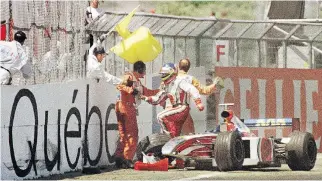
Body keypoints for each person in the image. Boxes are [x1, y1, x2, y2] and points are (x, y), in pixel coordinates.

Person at [114, 61, 159, 169]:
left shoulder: (137, 81)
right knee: (132, 134)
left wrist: (159, 91)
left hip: (122, 108)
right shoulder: (129, 77)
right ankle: (127, 158)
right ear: (139, 70)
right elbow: (120, 85)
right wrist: (130, 90)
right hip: (127, 108)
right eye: (143, 71)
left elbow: (146, 92)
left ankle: (119, 157)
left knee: (123, 134)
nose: (144, 74)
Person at [142, 63, 205, 138]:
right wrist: (146, 98)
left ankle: (166, 137)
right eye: (162, 74)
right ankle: (172, 141)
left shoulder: (180, 81)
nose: (163, 76)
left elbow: (192, 89)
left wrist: (198, 102)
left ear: (172, 73)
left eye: (164, 74)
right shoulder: (166, 85)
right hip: (175, 109)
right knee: (174, 134)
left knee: (161, 117)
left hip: (182, 108)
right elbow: (158, 98)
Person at [177, 58, 224, 135]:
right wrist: (214, 85)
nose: (208, 81)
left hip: (171, 111)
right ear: (188, 68)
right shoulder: (189, 79)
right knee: (188, 132)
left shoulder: (171, 77)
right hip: (182, 110)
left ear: (178, 67)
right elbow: (202, 90)